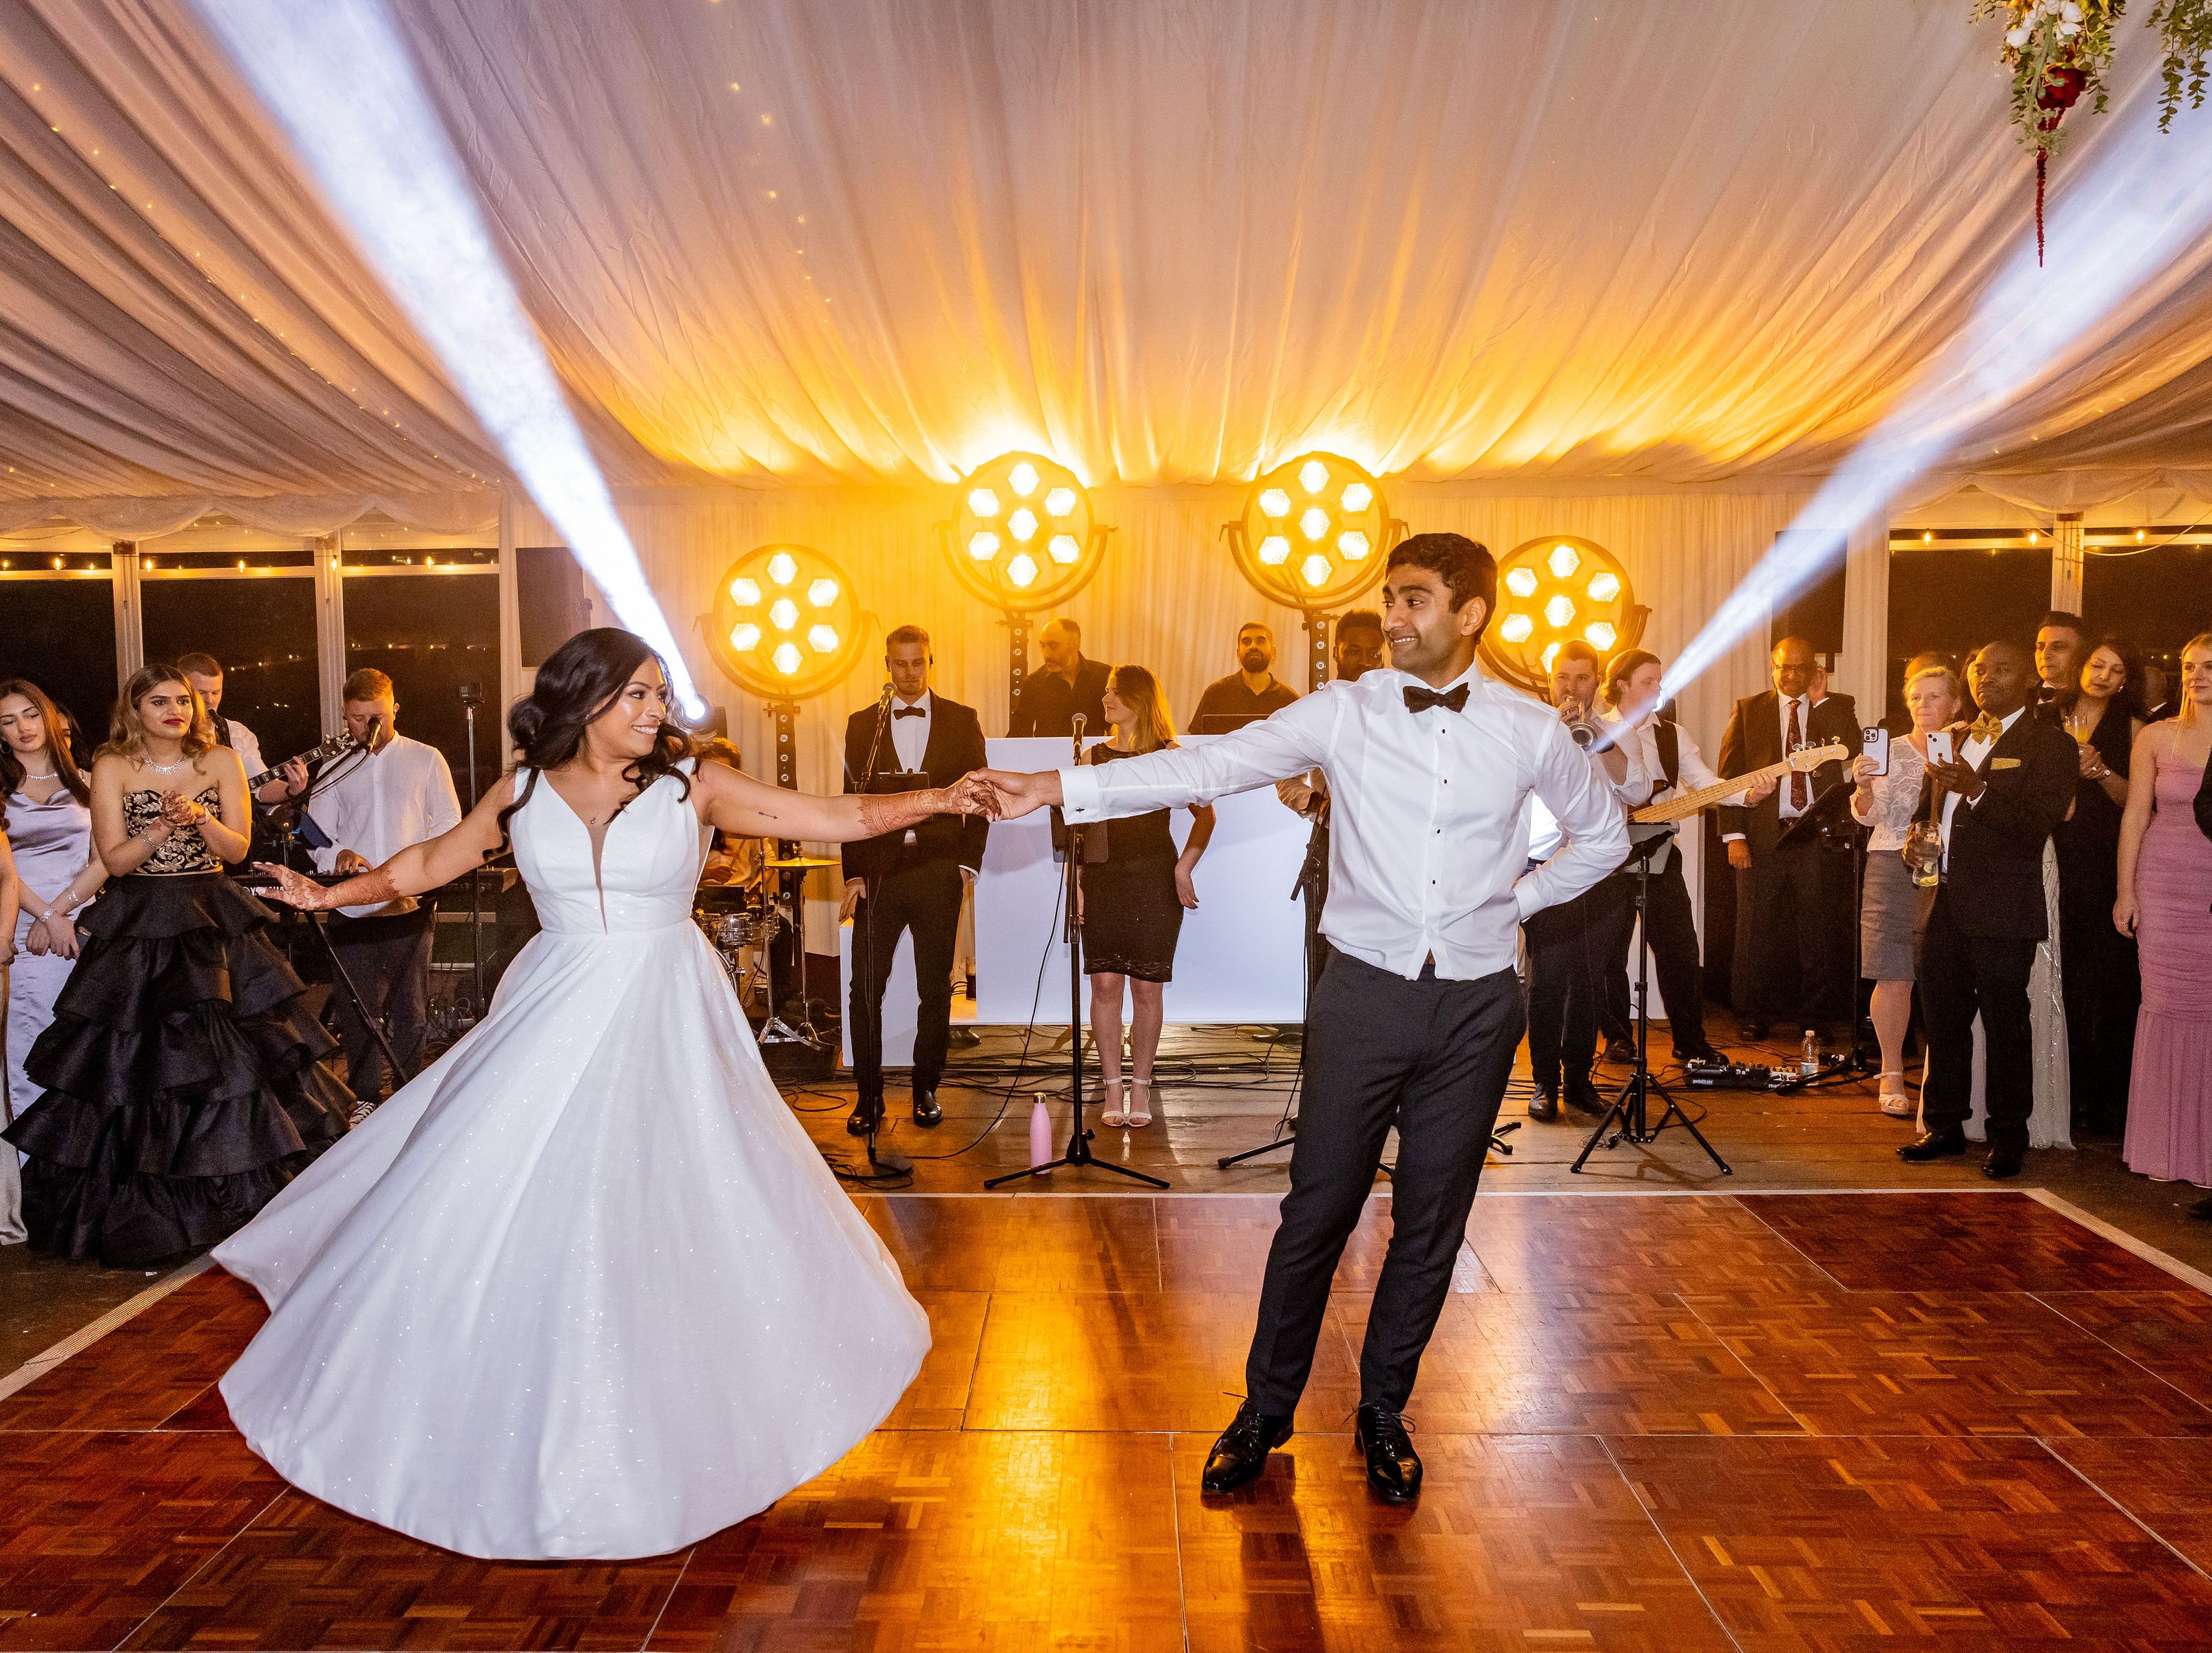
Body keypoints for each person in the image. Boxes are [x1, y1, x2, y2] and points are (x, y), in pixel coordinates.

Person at [220, 627, 992, 1560]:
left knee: (671, 1203)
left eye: (661, 693)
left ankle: (682, 1418)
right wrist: (325, 897)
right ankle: (508, 1404)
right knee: (496, 1192)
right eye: (638, 693)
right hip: (553, 1003)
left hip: (664, 1010)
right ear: (582, 697)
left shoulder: (692, 783)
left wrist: (941, 796)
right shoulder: (522, 789)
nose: (656, 708)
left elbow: (829, 816)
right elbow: (429, 864)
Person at [977, 533, 1627, 1505]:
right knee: (1316, 1210)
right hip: (1362, 992)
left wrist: (1517, 903)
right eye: (1389, 601)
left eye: (1413, 601)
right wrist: (1058, 788)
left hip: (1481, 1007)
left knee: (1432, 1221)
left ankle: (1383, 1411)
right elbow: (1203, 769)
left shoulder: (1531, 730)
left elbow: (1604, 836)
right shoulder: (1344, 710)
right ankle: (1264, 1410)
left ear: (1471, 613)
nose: (1391, 619)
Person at [1, 665, 353, 1264]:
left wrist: (200, 818)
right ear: (135, 710)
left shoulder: (218, 760)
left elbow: (238, 848)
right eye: (159, 701)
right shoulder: (111, 765)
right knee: (137, 1065)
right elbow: (110, 859)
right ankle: (153, 1216)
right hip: (140, 919)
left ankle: (242, 1202)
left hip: (211, 914)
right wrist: (150, 835)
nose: (175, 711)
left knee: (232, 1060)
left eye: (182, 701)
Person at [1899, 641, 2079, 1180]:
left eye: (2002, 669)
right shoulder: (1957, 738)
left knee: (2005, 1024)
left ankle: (2008, 1134)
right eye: (1979, 668)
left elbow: (2035, 825)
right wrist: (1916, 839)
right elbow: (1928, 809)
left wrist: (1977, 789)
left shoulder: (2050, 745)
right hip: (1942, 899)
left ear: (2026, 679)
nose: (1987, 678)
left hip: (2003, 906)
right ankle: (1946, 1125)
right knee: (1943, 1022)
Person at [839, 625, 989, 1133]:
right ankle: (868, 1095)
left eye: (917, 663)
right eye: (899, 664)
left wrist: (967, 864)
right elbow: (850, 802)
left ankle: (926, 1086)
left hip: (936, 869)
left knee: (935, 988)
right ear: (887, 666)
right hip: (879, 873)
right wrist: (854, 873)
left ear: (931, 661)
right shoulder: (863, 725)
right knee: (865, 988)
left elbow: (982, 795)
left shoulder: (961, 720)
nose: (908, 674)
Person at [298, 669, 463, 1116]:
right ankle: (366, 1098)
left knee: (411, 1010)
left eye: (376, 717)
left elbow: (449, 826)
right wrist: (338, 854)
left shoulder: (427, 759)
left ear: (395, 709)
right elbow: (312, 835)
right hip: (349, 905)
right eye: (357, 719)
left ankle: (409, 1100)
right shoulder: (333, 769)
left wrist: (422, 866)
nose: (368, 728)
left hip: (409, 904)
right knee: (356, 1011)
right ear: (345, 718)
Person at [1597, 649, 1766, 1070]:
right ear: (1621, 684)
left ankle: (1690, 1041)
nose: (1658, 688)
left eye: (1660, 680)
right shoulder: (1595, 730)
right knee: (1606, 952)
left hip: (1659, 851)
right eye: (1648, 681)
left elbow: (1706, 784)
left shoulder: (1673, 735)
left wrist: (1748, 793)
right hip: (1603, 856)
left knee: (1680, 952)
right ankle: (1616, 1037)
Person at [1081, 666, 1215, 1129]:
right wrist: (1078, 886)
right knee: (1104, 985)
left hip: (1153, 879)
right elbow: (1079, 831)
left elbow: (1206, 816)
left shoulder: (1171, 756)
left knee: (1146, 986)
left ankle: (1141, 1086)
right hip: (1103, 879)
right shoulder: (1090, 756)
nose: (1105, 698)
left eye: (1114, 692)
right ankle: (1111, 1087)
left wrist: (1184, 867)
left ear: (1138, 699)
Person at [1717, 636, 1859, 1043]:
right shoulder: (1749, 710)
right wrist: (1734, 835)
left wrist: (1822, 702)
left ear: (1815, 669)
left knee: (1818, 929)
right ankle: (1752, 1013)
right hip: (1762, 837)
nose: (1793, 675)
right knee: (1755, 930)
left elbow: (1847, 753)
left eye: (1801, 667)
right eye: (1785, 668)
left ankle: (1816, 1016)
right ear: (1773, 668)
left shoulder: (1836, 707)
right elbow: (1729, 777)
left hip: (1815, 835)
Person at [1521, 642, 1640, 1122]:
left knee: (1590, 983)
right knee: (1547, 981)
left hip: (1602, 874)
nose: (1572, 688)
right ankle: (1544, 1084)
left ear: (1597, 683)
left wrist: (1600, 743)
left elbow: (1638, 789)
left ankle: (1579, 1083)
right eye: (1563, 678)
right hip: (1548, 869)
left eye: (1583, 678)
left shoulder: (1614, 731)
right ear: (1551, 681)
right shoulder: (1530, 730)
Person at [2116, 632, 2212, 1203]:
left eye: (2211, 666)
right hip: (2164, 884)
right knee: (2165, 1007)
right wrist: (2125, 891)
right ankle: (2164, 1147)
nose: (2199, 674)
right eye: (2191, 665)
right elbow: (2134, 815)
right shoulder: (2156, 736)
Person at [2047, 635, 2147, 1138]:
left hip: (2105, 864)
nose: (2103, 675)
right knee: (2055, 979)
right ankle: (2058, 1096)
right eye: (2096, 664)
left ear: (2126, 680)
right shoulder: (2047, 716)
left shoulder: (2134, 728)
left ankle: (2104, 1103)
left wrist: (2100, 770)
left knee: (2104, 986)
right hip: (2048, 857)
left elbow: (2141, 804)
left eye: (2115, 669)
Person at [1, 681, 106, 1141]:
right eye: (7, 721)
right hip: (20, 931)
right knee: (29, 1044)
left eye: (28, 714)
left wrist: (63, 914)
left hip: (81, 927)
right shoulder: (1, 788)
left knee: (87, 1051)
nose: (22, 727)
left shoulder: (88, 781)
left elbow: (106, 859)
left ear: (47, 715)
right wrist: (45, 917)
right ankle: (31, 1171)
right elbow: (5, 874)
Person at [1850, 664, 1955, 1116]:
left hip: (1945, 867)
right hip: (1891, 861)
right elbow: (1870, 817)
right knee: (1893, 971)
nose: (1924, 706)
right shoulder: (1887, 750)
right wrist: (1863, 788)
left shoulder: (1964, 749)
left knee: (1942, 973)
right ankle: (1892, 1071)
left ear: (1955, 704)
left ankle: (1943, 1075)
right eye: (1917, 697)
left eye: (1935, 697)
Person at [1278, 610, 1387, 993]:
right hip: (1332, 844)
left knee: (1381, 951)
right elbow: (1285, 776)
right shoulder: (1319, 711)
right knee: (1330, 954)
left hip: (1390, 849)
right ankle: (1328, 1044)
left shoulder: (1401, 708)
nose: (1363, 661)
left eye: (1373, 653)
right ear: (1336, 654)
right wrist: (1314, 804)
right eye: (1353, 651)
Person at [177, 652, 306, 807]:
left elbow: (262, 786)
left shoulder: (236, 733)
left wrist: (291, 790)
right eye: (202, 693)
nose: (210, 700)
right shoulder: (169, 734)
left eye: (216, 692)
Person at [1007, 617, 1109, 738]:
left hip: (1094, 754)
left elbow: (1118, 727)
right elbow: (1019, 733)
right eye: (1043, 646)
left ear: (1075, 645)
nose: (1046, 654)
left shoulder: (1104, 676)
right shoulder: (1034, 683)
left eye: (1053, 646)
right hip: (1048, 755)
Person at [1191, 622, 1300, 730]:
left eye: (1260, 641)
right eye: (1247, 642)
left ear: (1273, 652)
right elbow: (1195, 739)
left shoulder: (1290, 700)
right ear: (1238, 653)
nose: (1253, 646)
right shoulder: (1216, 693)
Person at [2034, 610, 2087, 707]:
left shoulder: (2091, 701)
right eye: (2040, 647)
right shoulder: (2021, 698)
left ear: (2080, 653)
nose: (2045, 655)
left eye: (2058, 647)